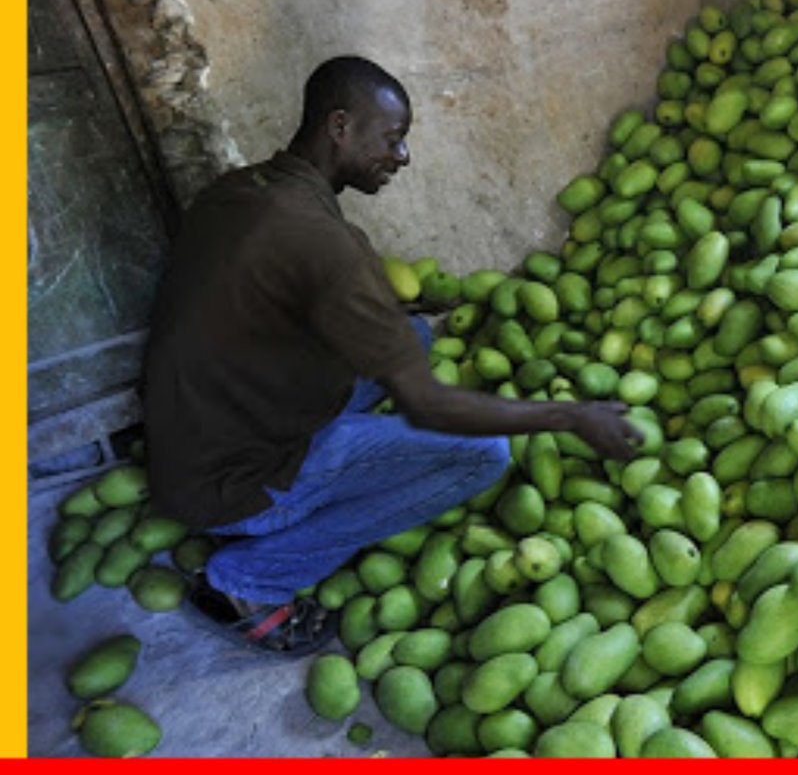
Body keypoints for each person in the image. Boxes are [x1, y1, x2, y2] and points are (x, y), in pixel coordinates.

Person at [140, 55, 642, 655]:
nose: (401, 157)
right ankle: (249, 583)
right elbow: (428, 404)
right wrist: (570, 416)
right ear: (340, 127)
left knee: (419, 339)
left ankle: (327, 470)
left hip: (192, 439)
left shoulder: (241, 189)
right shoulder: (331, 249)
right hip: (234, 483)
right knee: (483, 454)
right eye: (393, 139)